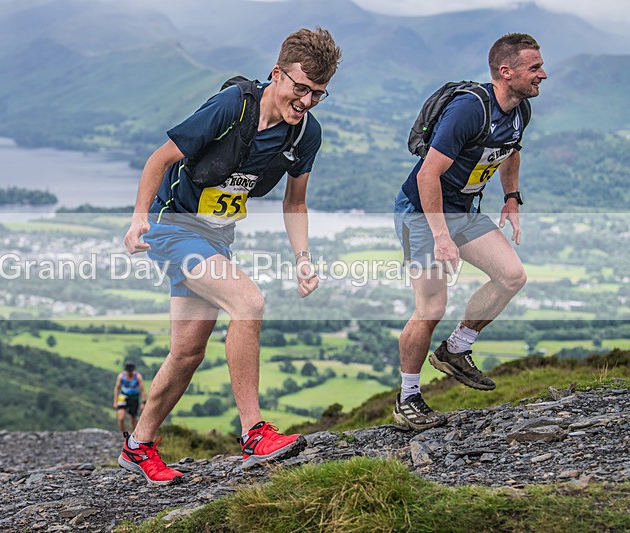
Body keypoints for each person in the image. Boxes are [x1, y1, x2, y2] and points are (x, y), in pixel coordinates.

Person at [120, 27, 342, 485]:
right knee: (248, 302)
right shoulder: (232, 106)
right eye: (299, 88)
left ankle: (138, 446)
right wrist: (139, 217)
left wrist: (303, 257)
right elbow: (159, 159)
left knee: (186, 353)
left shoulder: (306, 135)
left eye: (318, 93)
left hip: (216, 238)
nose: (306, 102)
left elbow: (295, 203)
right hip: (173, 227)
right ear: (277, 74)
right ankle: (254, 433)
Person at [392, 33, 546, 430]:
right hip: (423, 211)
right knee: (431, 307)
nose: (543, 74)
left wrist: (511, 197)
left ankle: (455, 349)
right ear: (505, 72)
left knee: (512, 276)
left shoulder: (520, 110)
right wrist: (441, 235)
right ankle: (407, 397)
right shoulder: (470, 110)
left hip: (463, 209)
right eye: (534, 68)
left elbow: (512, 150)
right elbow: (428, 175)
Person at [113, 362, 146, 433]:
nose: (129, 373)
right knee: (121, 417)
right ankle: (122, 433)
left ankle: (132, 435)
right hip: (123, 396)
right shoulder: (121, 376)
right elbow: (117, 388)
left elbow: (142, 389)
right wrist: (115, 401)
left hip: (134, 398)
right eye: (128, 371)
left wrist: (143, 402)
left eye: (131, 371)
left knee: (133, 419)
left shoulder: (138, 377)